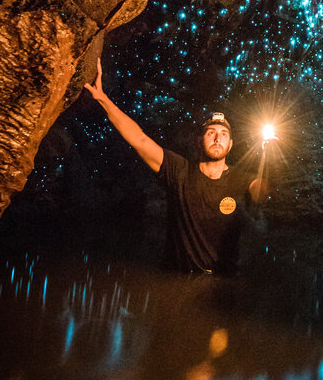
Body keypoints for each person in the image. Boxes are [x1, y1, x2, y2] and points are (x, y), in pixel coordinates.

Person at [84, 58, 273, 274]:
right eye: (211, 132)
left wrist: (269, 160)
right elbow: (140, 139)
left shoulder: (241, 179)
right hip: (178, 279)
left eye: (223, 134)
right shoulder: (179, 171)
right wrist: (103, 99)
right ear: (199, 141)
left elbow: (261, 191)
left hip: (222, 282)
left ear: (230, 144)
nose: (217, 138)